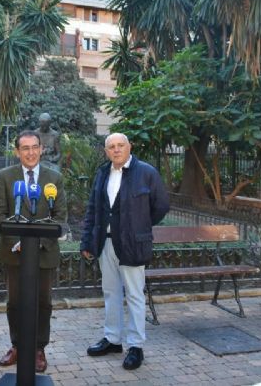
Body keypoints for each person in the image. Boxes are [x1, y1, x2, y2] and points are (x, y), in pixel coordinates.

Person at [80, 133, 169, 370]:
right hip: (105, 243)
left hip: (132, 244)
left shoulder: (146, 172)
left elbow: (161, 206)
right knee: (110, 293)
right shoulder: (102, 173)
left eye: (121, 145)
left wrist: (139, 225)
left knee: (134, 295)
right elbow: (92, 209)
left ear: (130, 147)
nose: (116, 150)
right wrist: (87, 241)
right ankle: (112, 339)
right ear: (106, 151)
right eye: (111, 147)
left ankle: (136, 346)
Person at [0, 130, 67, 373]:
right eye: (25, 148)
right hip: (13, 253)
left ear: (41, 149)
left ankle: (38, 349)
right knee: (14, 302)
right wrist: (20, 242)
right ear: (17, 152)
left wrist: (36, 243)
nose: (31, 152)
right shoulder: (6, 176)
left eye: (35, 147)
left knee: (43, 303)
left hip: (44, 253)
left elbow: (59, 217)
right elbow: (0, 214)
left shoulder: (54, 178)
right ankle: (17, 346)